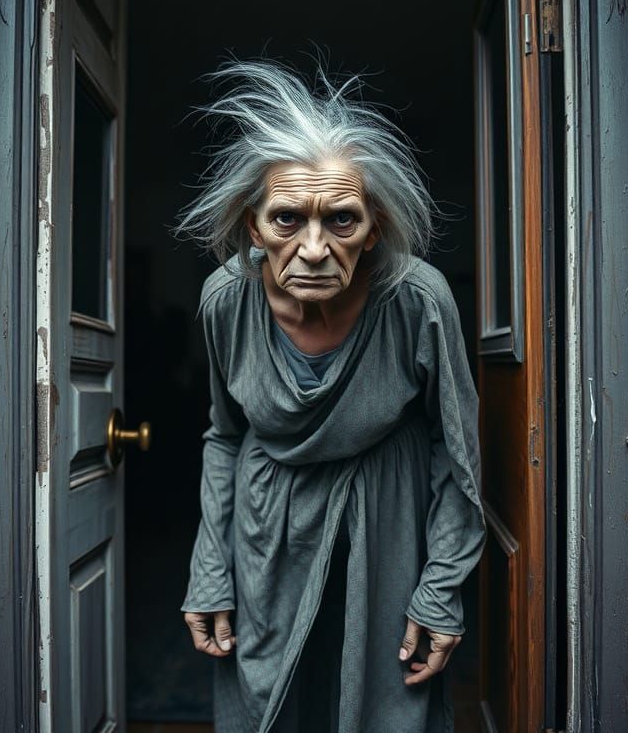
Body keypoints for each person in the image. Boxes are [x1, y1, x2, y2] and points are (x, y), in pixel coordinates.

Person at [176, 60, 486, 732]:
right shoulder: (225, 300)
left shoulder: (417, 299)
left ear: (373, 228)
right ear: (253, 227)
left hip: (386, 526)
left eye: (341, 221)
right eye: (287, 219)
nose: (313, 248)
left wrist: (440, 591)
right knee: (272, 705)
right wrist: (210, 567)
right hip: (266, 534)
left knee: (385, 706)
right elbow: (224, 435)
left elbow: (455, 453)